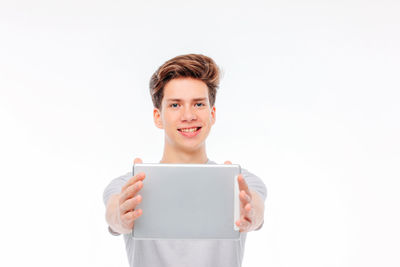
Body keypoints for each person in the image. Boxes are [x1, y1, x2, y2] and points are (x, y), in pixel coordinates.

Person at [103, 54, 267, 267]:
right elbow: (113, 213)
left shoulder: (241, 182)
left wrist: (252, 216)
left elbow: (256, 209)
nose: (188, 115)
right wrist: (120, 218)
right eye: (175, 105)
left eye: (199, 104)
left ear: (212, 114)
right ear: (158, 117)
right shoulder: (128, 186)